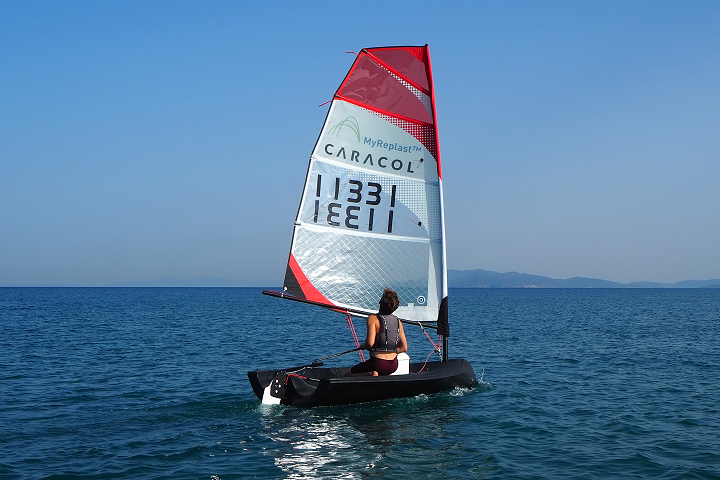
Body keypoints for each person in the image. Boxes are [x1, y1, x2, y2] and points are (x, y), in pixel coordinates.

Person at [347, 288, 408, 376]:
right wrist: (390, 351)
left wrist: (362, 346)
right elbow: (404, 348)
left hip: (377, 363)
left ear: (380, 303)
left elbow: (370, 343)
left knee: (348, 375)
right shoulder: (398, 322)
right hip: (393, 365)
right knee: (385, 371)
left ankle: (372, 374)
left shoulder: (373, 319)